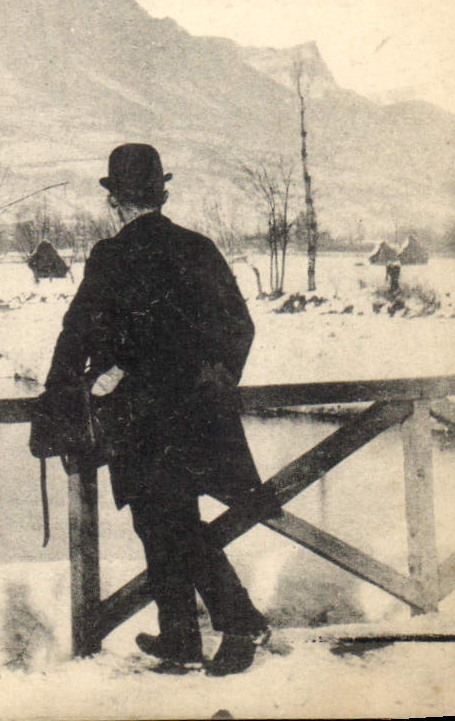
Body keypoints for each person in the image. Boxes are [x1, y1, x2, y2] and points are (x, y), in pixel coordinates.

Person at [43, 143, 272, 676]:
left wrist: (60, 392)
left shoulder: (111, 256)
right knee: (166, 520)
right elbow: (239, 326)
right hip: (198, 417)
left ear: (116, 202)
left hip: (139, 417)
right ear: (159, 195)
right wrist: (214, 377)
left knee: (167, 523)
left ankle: (240, 622)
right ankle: (180, 636)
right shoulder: (199, 247)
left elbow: (76, 332)